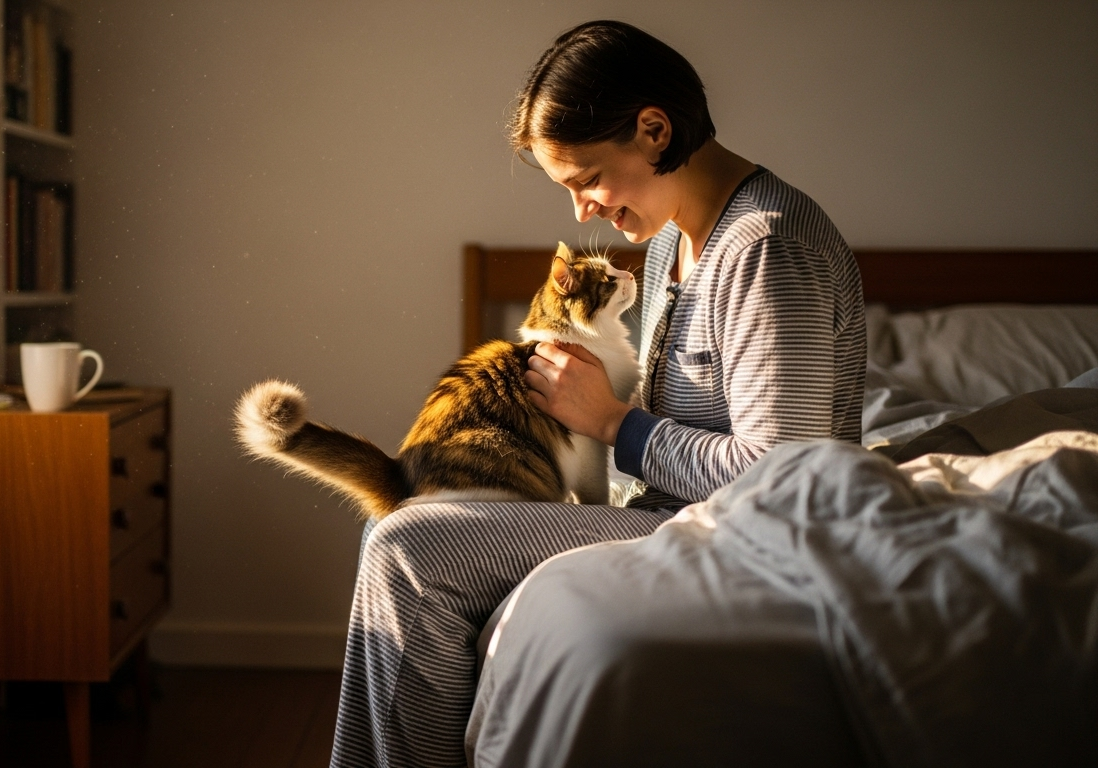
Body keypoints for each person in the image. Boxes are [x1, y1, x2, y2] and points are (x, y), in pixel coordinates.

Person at [330, 20, 866, 768]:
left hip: (742, 538)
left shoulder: (769, 246)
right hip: (671, 517)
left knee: (407, 550)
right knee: (403, 520)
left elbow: (785, 477)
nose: (582, 211)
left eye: (587, 179)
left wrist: (616, 422)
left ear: (653, 130)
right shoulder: (677, 243)